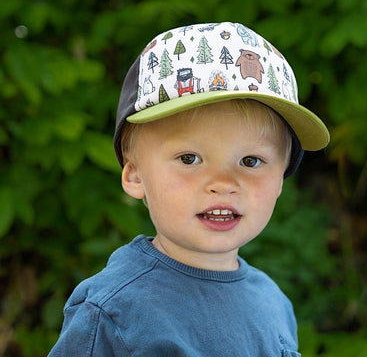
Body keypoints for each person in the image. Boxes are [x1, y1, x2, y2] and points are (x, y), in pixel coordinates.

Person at [48, 22, 329, 356]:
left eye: (251, 161)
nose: (224, 183)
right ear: (135, 175)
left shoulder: (273, 302)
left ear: (281, 177)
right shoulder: (113, 312)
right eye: (190, 158)